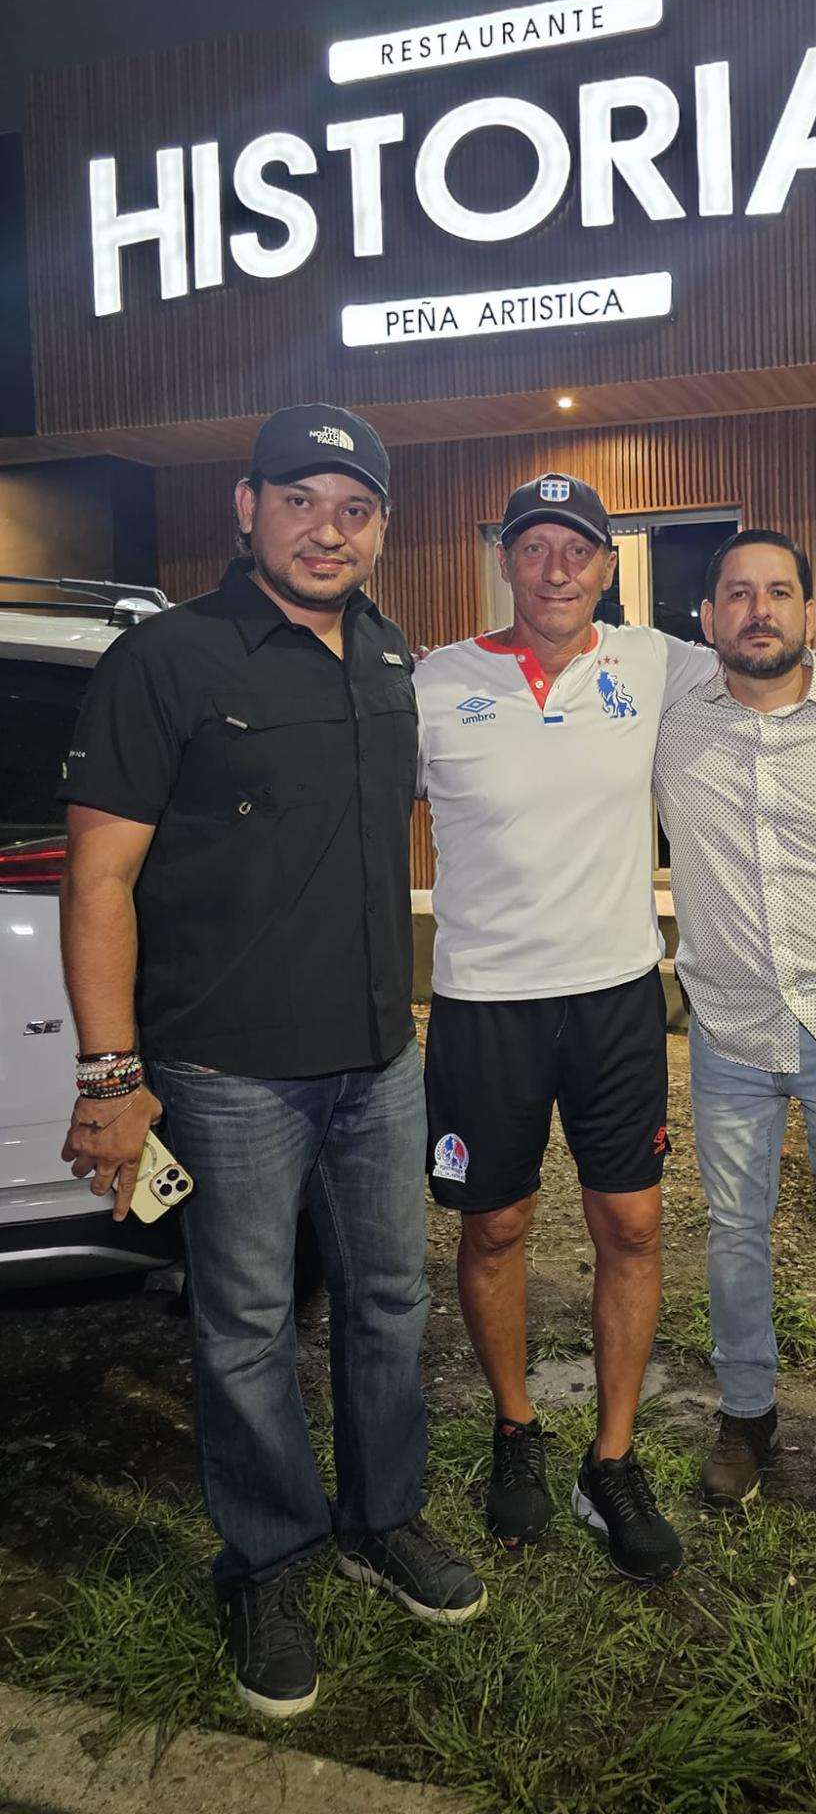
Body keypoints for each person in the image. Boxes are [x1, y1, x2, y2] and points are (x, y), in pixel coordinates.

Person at [57, 404, 485, 1722]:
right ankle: (271, 1555)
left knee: (389, 1308)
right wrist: (112, 1079)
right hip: (231, 1072)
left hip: (375, 1056)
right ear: (246, 508)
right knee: (245, 1329)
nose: (328, 529)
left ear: (382, 530)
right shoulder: (168, 659)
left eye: (355, 509)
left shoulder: (391, 658)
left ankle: (383, 1518)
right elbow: (99, 880)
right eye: (301, 500)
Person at [416, 475, 816, 1583]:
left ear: (608, 569)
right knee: (491, 1231)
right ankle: (514, 1428)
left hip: (617, 997)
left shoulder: (654, 664)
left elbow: (770, 646)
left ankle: (614, 1456)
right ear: (504, 558)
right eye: (533, 548)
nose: (555, 570)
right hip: (482, 1003)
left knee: (633, 1226)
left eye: (576, 551)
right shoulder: (437, 682)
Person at [652, 529, 816, 1524]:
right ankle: (748, 1413)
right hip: (727, 1023)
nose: (759, 610)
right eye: (737, 594)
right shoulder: (670, 715)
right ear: (708, 615)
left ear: (811, 610)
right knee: (732, 1231)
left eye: (780, 592)